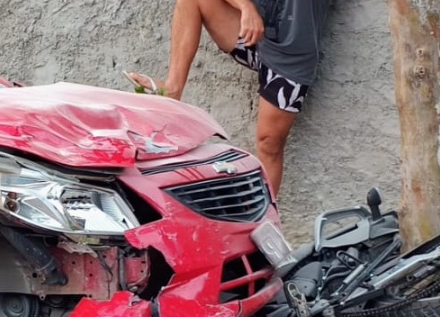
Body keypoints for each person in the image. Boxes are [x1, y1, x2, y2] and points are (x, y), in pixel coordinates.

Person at [125, 0, 329, 194]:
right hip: (253, 30)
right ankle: (172, 88)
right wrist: (246, 7)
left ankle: (262, 224)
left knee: (269, 144)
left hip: (291, 52)